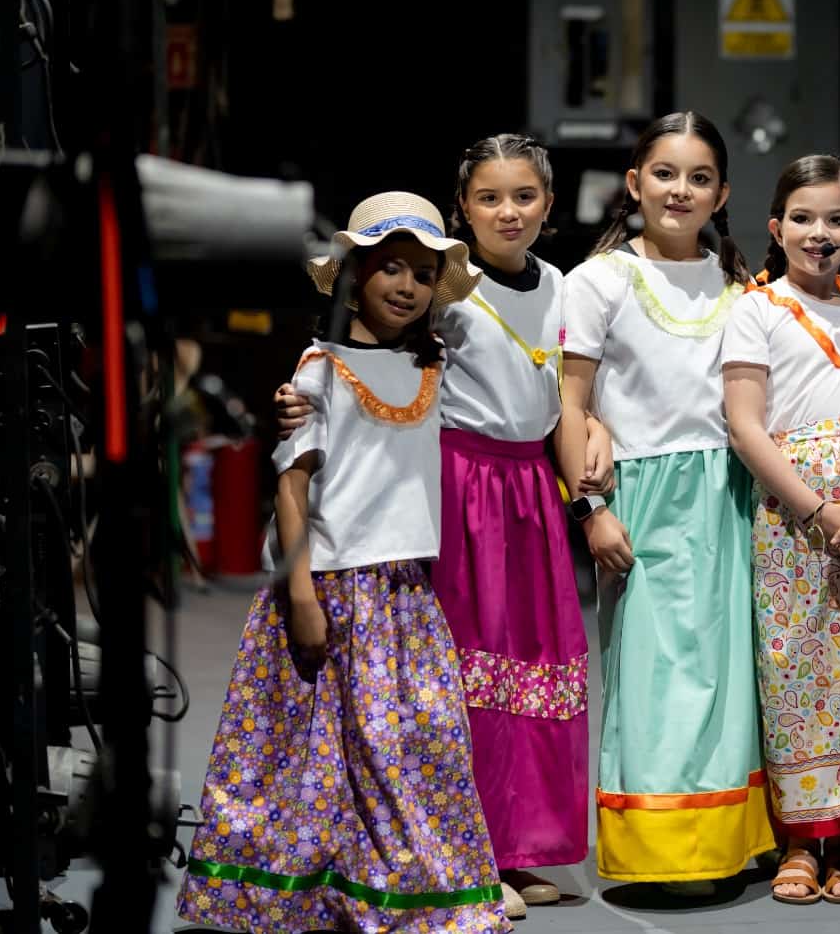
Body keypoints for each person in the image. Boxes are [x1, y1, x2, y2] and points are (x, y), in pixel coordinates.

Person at [276, 136, 614, 913]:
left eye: (524, 196)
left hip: (530, 485)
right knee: (464, 675)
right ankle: (467, 849)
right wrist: (302, 396)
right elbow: (374, 360)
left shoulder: (560, 284)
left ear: (548, 206)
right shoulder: (446, 294)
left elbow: (566, 397)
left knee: (536, 673)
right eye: (490, 197)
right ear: (463, 208)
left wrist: (584, 487)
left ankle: (524, 848)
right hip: (458, 486)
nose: (508, 211)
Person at [178, 193, 510, 933]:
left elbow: (513, 395)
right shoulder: (320, 368)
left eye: (422, 274)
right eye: (388, 267)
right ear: (354, 274)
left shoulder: (434, 365)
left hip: (402, 592)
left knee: (408, 744)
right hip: (329, 583)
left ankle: (411, 884)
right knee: (308, 754)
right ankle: (293, 892)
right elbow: (292, 484)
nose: (405, 286)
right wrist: (300, 594)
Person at [557, 111, 773, 891]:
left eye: (700, 177)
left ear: (722, 194)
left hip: (728, 491)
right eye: (666, 173)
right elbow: (568, 404)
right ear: (634, 183)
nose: (681, 190)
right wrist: (590, 509)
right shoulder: (601, 280)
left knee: (725, 672)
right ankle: (658, 849)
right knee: (654, 673)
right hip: (643, 496)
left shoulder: (736, 282)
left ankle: (721, 843)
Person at [722, 154, 840, 906]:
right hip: (794, 518)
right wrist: (815, 509)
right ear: (776, 228)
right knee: (795, 670)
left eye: (835, 220)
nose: (818, 233)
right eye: (802, 218)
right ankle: (799, 837)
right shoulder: (755, 309)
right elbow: (743, 423)